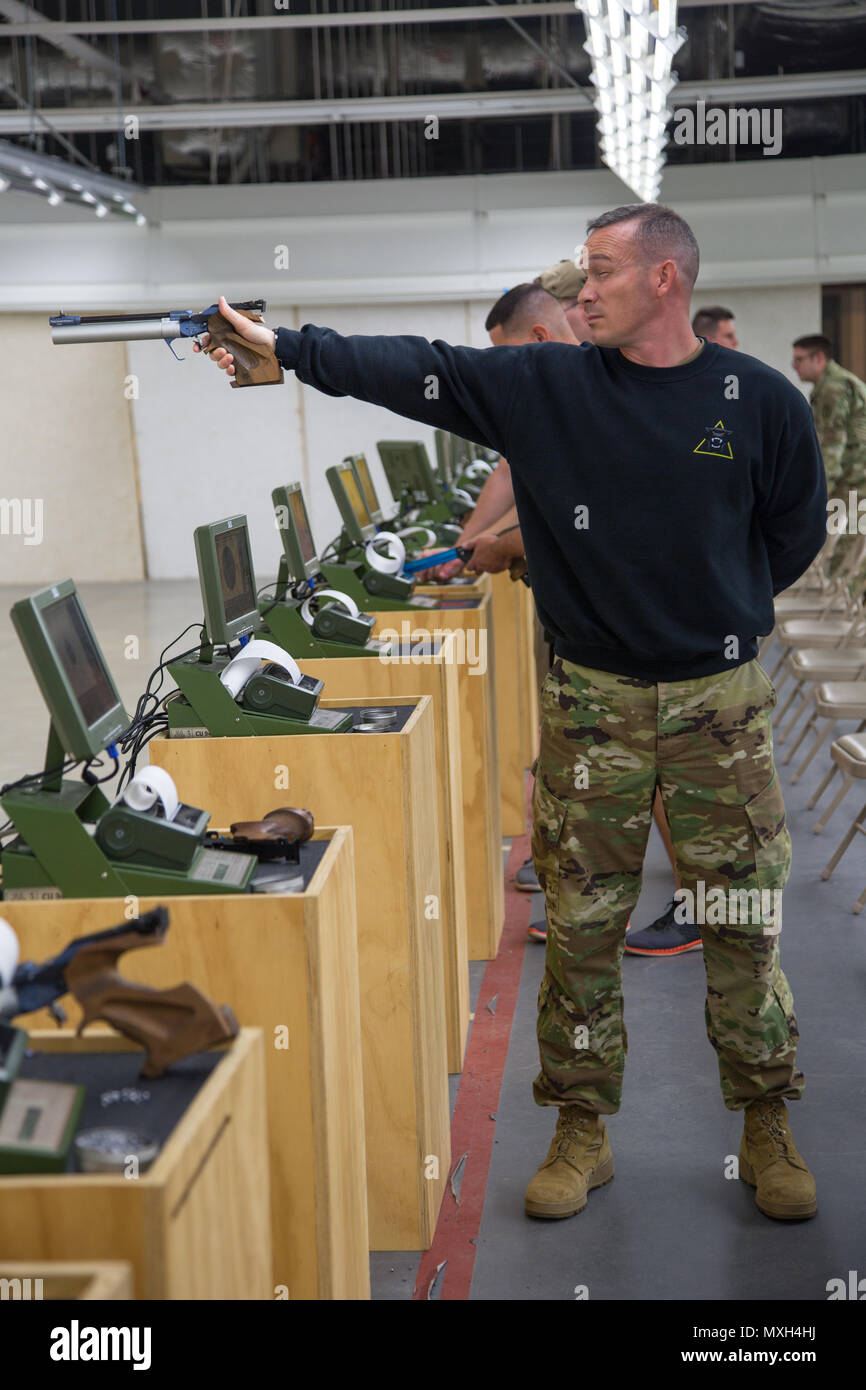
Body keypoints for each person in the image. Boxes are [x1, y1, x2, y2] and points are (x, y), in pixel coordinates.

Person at [195, 201, 826, 1225]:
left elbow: (788, 535)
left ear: (663, 280)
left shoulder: (756, 402)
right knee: (579, 927)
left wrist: (711, 603)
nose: (582, 291)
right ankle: (580, 1129)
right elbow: (415, 367)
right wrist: (289, 345)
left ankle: (764, 1120)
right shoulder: (548, 387)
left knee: (740, 921)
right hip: (592, 701)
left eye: (604, 272)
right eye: (580, 273)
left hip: (721, 704)